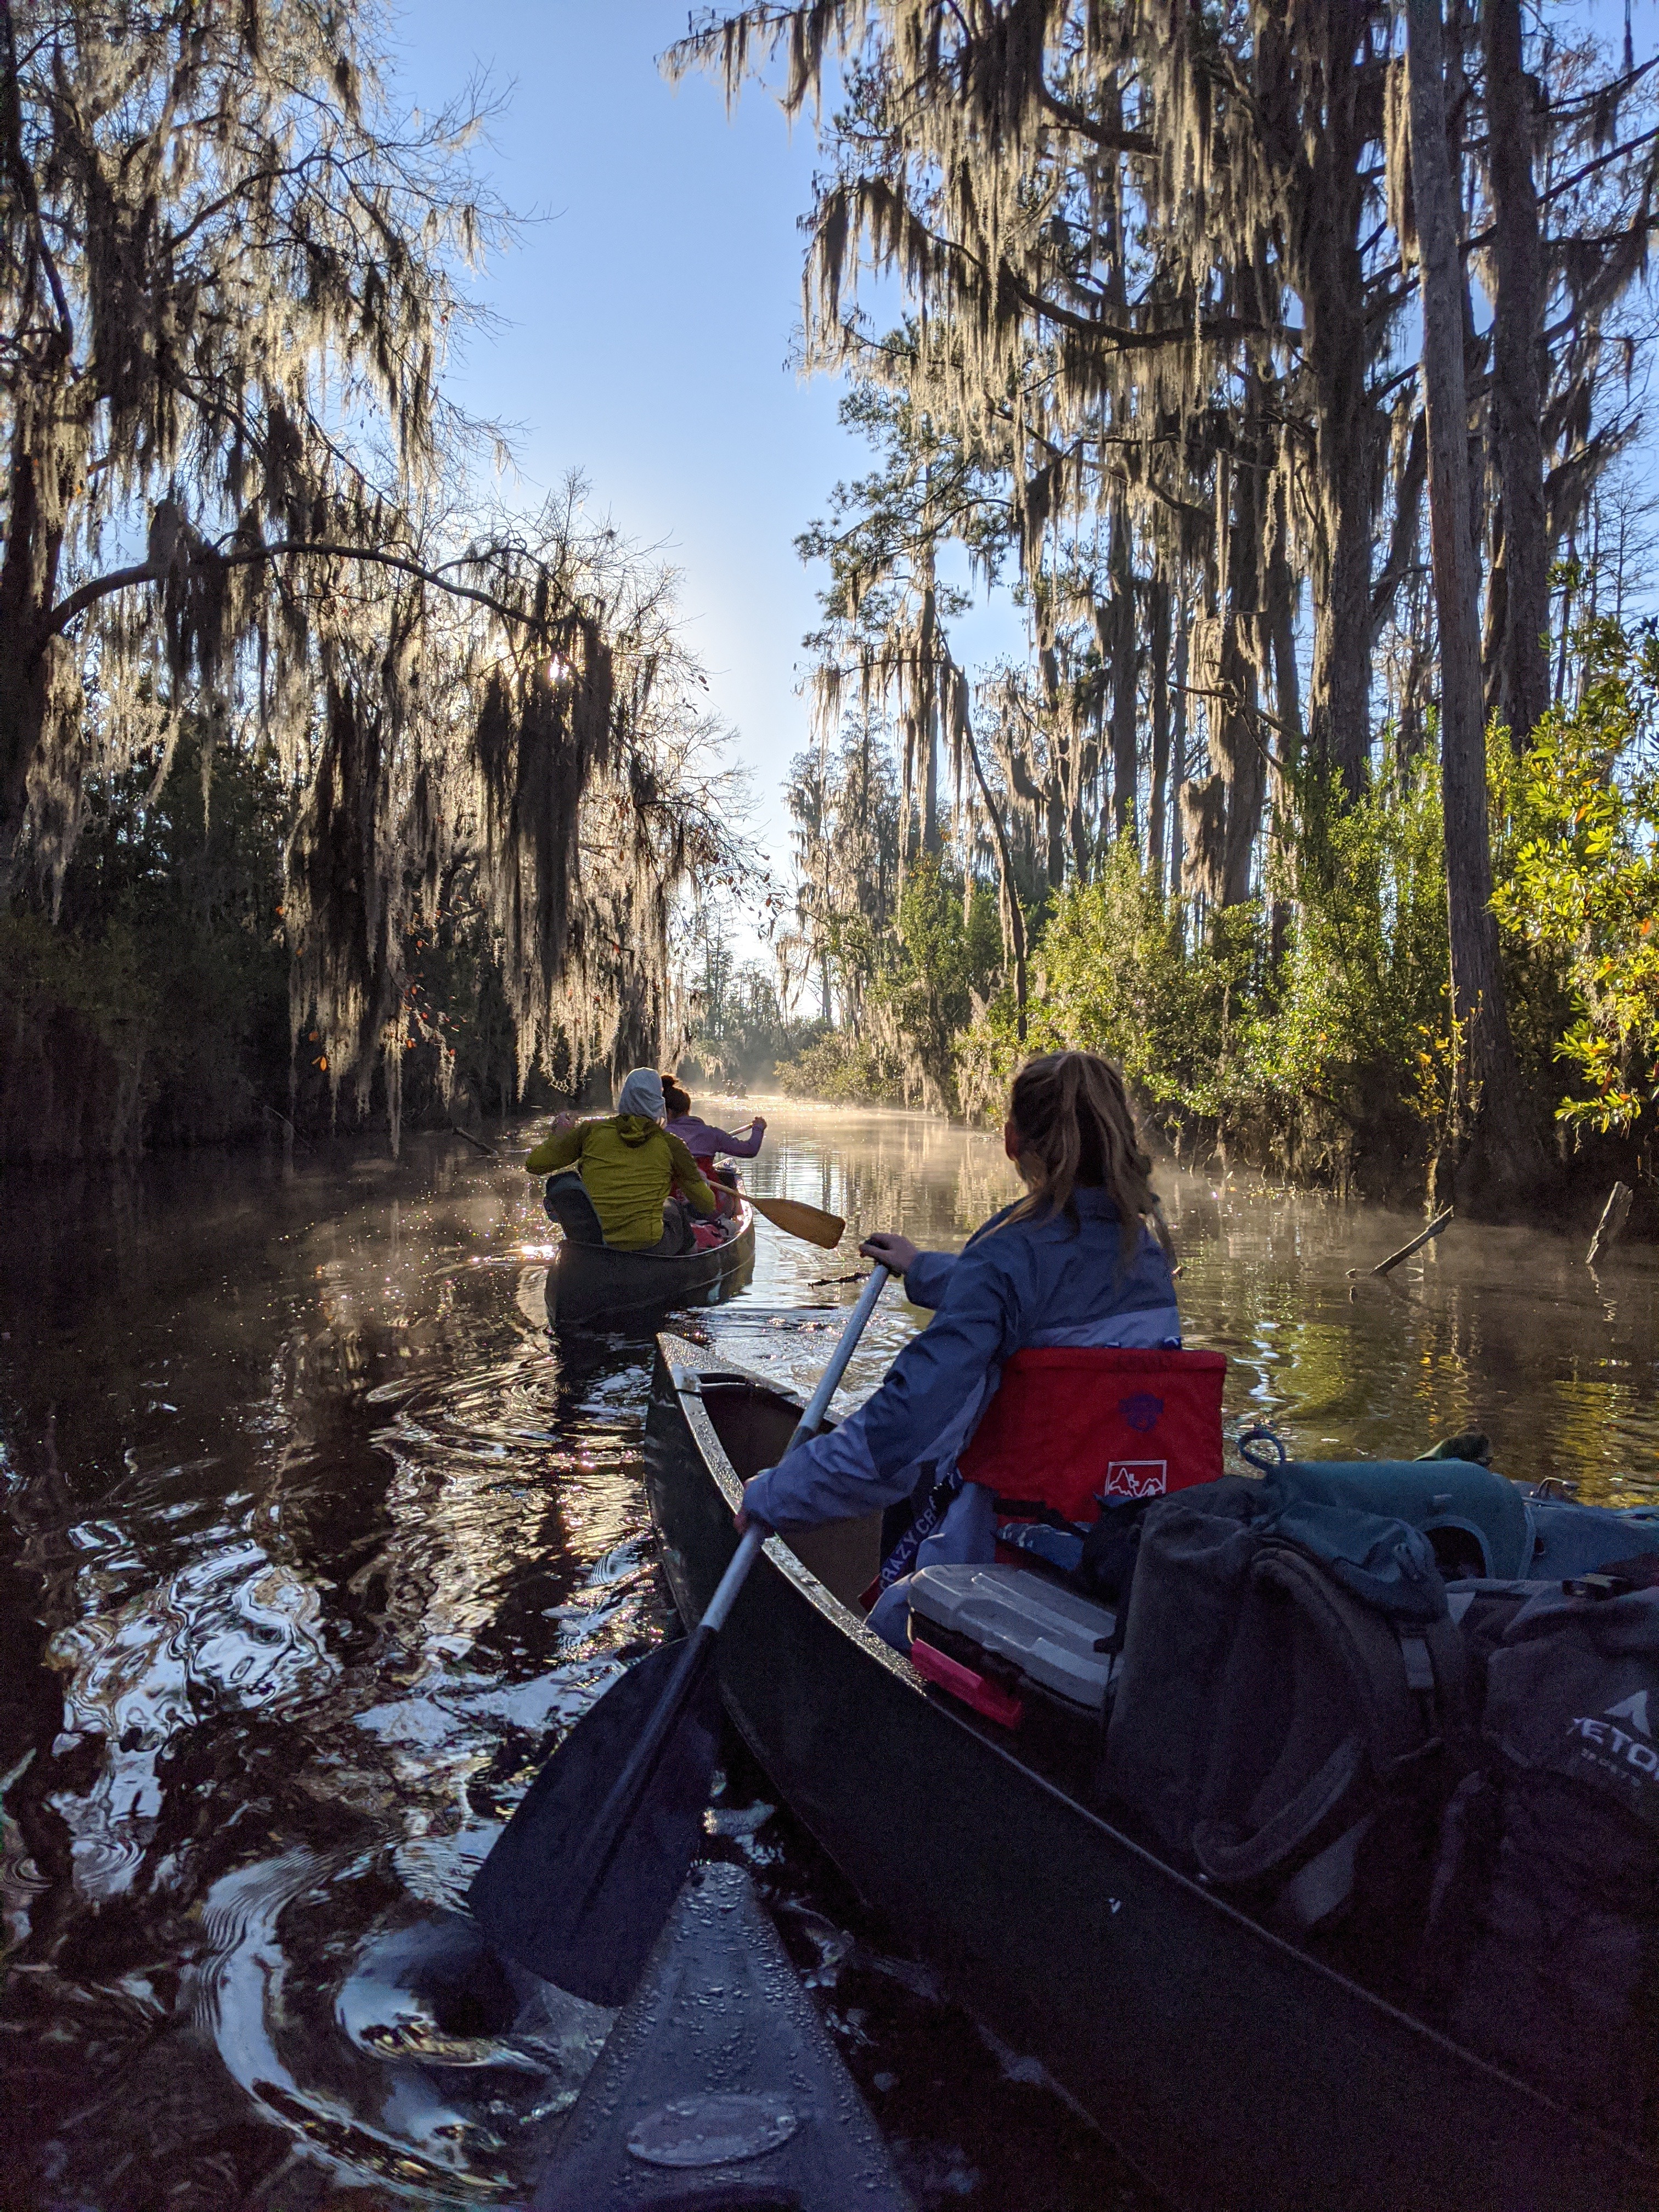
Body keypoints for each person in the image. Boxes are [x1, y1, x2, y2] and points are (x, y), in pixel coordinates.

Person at [736, 1050, 1181, 1651]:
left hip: (1007, 1550)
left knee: (895, 1608)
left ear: (1010, 1140)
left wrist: (774, 1495)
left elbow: (904, 1434)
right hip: (1122, 1547)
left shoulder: (1008, 1253)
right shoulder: (1147, 1256)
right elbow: (1040, 1307)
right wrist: (925, 1270)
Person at [526, 1069, 718, 1254]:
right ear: (659, 1104)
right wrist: (700, 1183)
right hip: (649, 1246)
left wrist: (559, 1136)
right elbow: (707, 1205)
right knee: (673, 1208)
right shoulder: (672, 1145)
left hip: (596, 1244)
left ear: (624, 1098)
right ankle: (690, 1271)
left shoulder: (590, 1131)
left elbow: (535, 1164)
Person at [662, 1080, 766, 1187]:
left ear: (667, 1112)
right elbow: (750, 1150)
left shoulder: (660, 1135)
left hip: (671, 1193)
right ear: (688, 1108)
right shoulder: (711, 1134)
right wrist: (758, 1128)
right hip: (708, 1193)